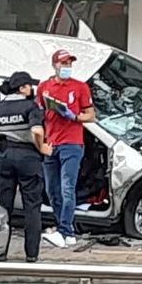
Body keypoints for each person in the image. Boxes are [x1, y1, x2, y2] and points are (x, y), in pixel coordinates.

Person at [37, 49, 96, 248]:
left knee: (67, 187)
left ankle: (63, 230)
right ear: (55, 65)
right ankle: (66, 228)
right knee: (52, 190)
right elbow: (39, 113)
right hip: (52, 143)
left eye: (69, 64)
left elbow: (91, 115)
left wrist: (75, 116)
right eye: (64, 64)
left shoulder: (80, 87)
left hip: (72, 143)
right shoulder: (44, 87)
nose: (67, 68)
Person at [0, 71, 50, 263]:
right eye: (29, 86)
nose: (32, 89)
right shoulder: (30, 106)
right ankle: (31, 254)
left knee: (3, 207)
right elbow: (36, 130)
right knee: (32, 207)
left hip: (3, 157)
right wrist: (43, 147)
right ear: (22, 88)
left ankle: (0, 252)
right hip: (27, 158)